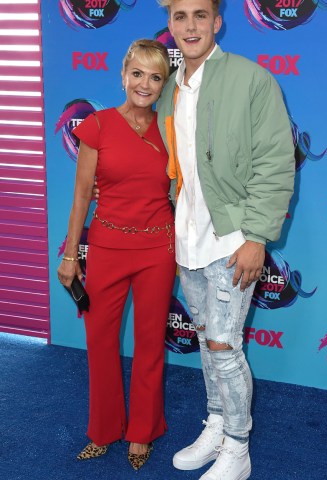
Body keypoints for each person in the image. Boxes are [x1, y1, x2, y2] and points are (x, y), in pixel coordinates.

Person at [155, 1, 295, 479]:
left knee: (223, 345)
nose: (189, 26)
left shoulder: (252, 79)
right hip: (187, 240)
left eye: (200, 15)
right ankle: (216, 424)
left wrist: (256, 236)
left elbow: (275, 162)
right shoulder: (170, 87)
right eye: (180, 16)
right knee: (203, 339)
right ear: (170, 25)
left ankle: (238, 448)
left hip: (233, 240)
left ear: (217, 22)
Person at [57, 39, 176, 471]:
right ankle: (104, 430)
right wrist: (71, 256)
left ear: (165, 84)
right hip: (106, 247)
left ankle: (142, 432)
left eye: (155, 76)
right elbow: (81, 197)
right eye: (138, 74)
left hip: (157, 251)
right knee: (100, 343)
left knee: (149, 345)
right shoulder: (98, 126)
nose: (145, 84)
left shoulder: (171, 129)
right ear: (123, 75)